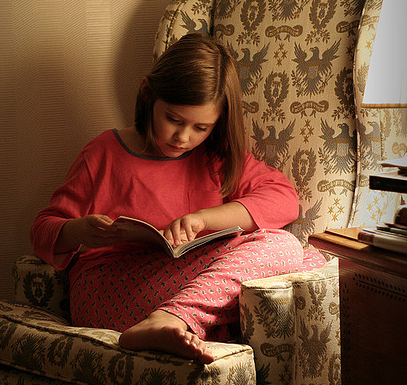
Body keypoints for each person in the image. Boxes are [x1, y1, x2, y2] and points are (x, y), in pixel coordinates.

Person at [30, 33, 326, 364]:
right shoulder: (104, 153)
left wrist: (203, 219)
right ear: (148, 94)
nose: (183, 137)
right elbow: (42, 230)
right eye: (173, 119)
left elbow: (283, 198)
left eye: (201, 128)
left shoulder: (214, 156)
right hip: (108, 289)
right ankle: (175, 320)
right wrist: (79, 231)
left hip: (178, 285)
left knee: (302, 256)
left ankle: (173, 321)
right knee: (287, 251)